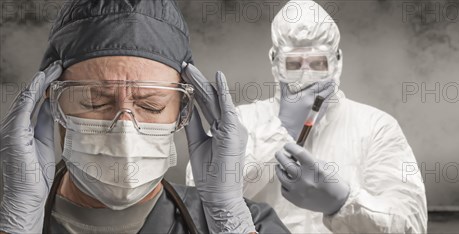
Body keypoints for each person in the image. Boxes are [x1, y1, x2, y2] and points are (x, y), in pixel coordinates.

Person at [0, 0, 289, 233]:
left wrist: (229, 220)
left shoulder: (253, 223)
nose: (125, 131)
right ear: (51, 101)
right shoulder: (10, 219)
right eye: (95, 101)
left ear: (183, 111)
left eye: (151, 106)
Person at [187, 0, 428, 233]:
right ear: (275, 61)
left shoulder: (375, 128)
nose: (306, 75)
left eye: (317, 63)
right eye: (293, 64)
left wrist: (343, 203)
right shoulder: (239, 122)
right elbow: (201, 204)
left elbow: (410, 224)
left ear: (337, 61)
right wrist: (281, 129)